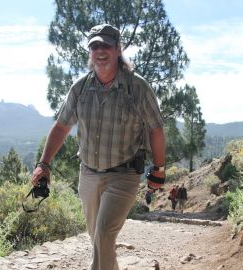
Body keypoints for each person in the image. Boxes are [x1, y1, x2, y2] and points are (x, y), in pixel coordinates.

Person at [31, 24, 165, 270]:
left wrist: (159, 168)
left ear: (117, 50)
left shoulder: (137, 87)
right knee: (98, 240)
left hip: (124, 174)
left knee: (103, 235)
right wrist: (44, 163)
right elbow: (61, 127)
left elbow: (156, 128)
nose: (100, 51)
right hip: (89, 175)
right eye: (95, 46)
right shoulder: (80, 87)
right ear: (90, 52)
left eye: (106, 45)